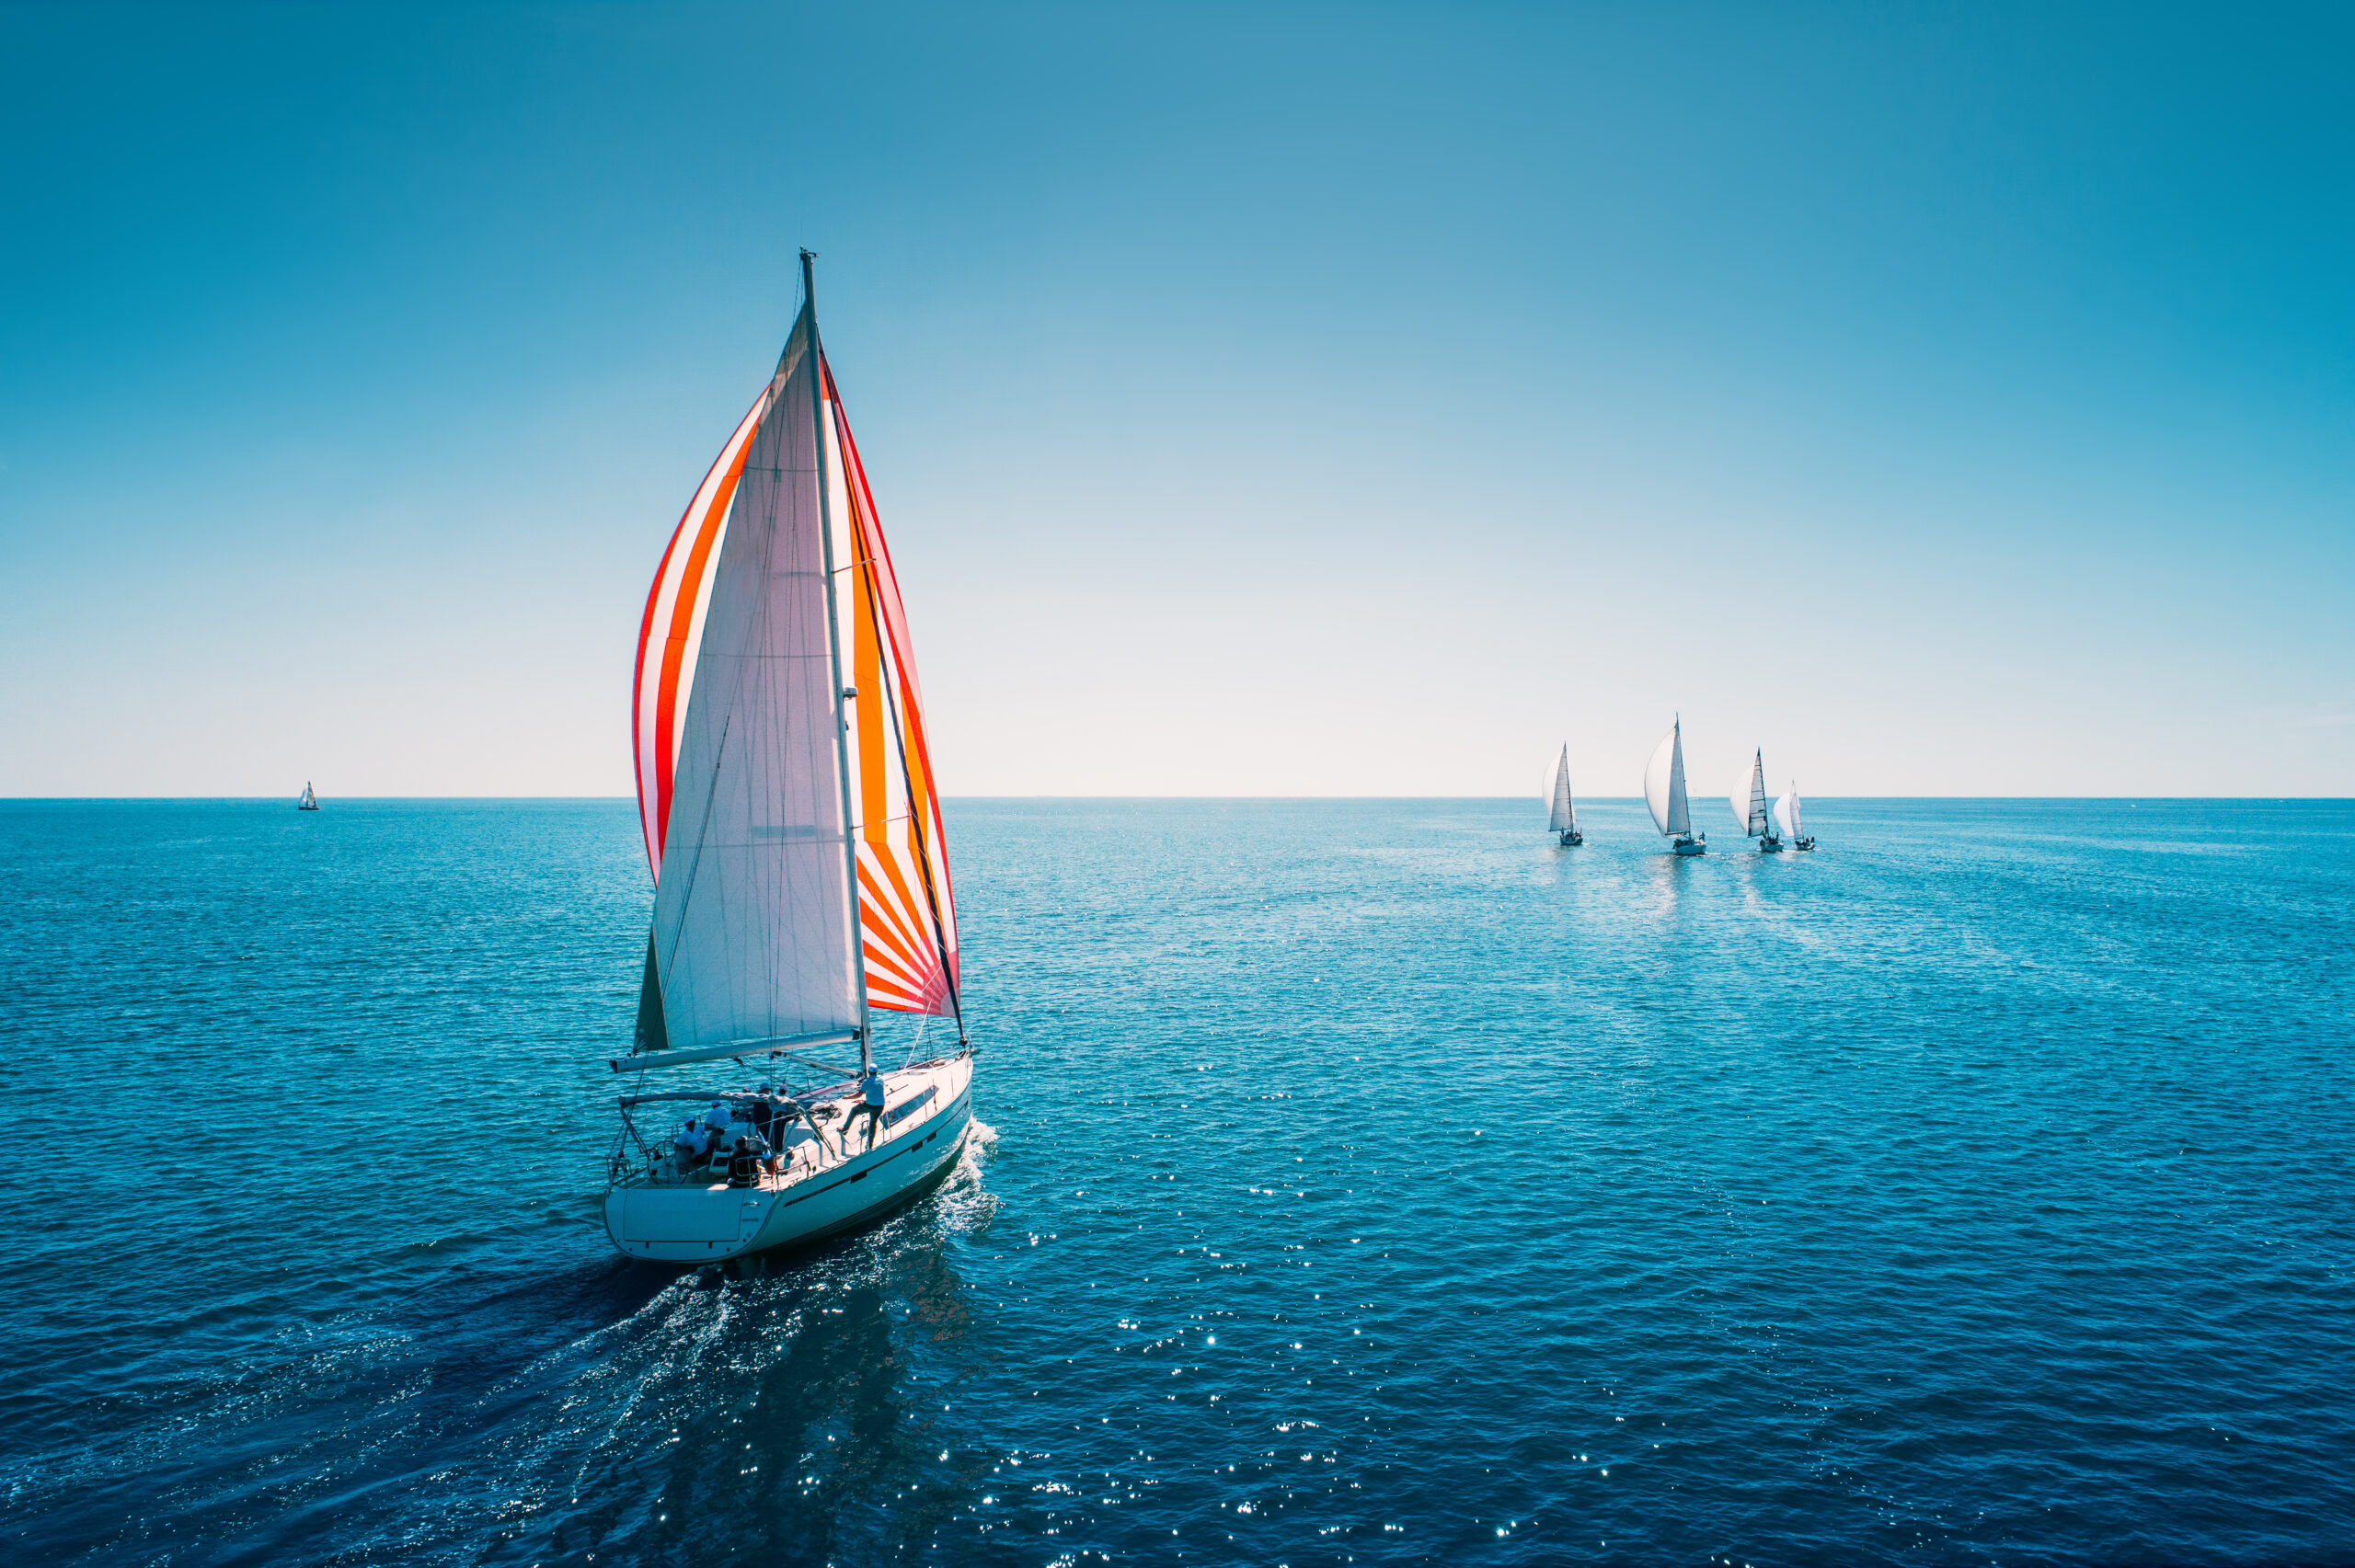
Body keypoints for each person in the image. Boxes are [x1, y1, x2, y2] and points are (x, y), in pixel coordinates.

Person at [848, 1065, 888, 1151]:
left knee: (854, 1110)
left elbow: (858, 1095)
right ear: (877, 1071)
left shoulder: (866, 1082)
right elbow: (874, 1088)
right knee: (873, 1123)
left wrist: (847, 1097)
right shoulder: (881, 1080)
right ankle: (869, 1145)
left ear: (869, 1072)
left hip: (870, 1105)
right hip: (880, 1106)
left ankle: (845, 1129)